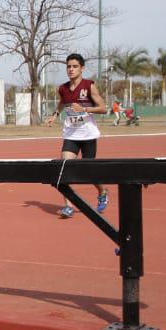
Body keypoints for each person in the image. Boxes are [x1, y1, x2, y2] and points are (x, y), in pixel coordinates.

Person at [45, 53, 109, 218]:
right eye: (68, 66)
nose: (71, 69)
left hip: (88, 135)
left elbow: (103, 108)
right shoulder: (63, 88)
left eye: (74, 66)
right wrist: (54, 115)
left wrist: (85, 109)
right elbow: (61, 103)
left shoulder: (89, 86)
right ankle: (68, 206)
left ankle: (102, 191)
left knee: (89, 172)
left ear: (82, 68)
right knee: (65, 168)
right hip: (71, 135)